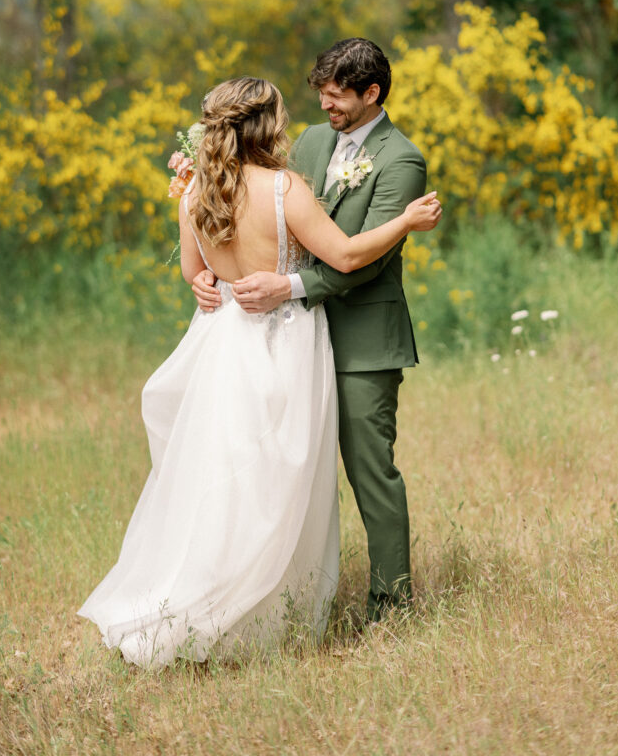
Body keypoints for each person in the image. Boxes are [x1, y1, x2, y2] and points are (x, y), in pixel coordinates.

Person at [79, 77, 441, 665]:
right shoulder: (285, 189)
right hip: (284, 340)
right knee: (280, 478)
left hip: (221, 343)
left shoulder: (193, 189)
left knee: (221, 474)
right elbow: (346, 256)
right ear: (266, 125)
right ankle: (264, 611)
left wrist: (205, 283)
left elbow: (195, 275)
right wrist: (405, 222)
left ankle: (199, 601)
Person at [194, 41, 429, 622]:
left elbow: (365, 259)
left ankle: (391, 605)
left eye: (336, 94)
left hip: (360, 341)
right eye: (320, 91)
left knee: (370, 472)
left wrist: (289, 289)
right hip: (290, 341)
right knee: (277, 471)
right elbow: (272, 221)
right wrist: (210, 279)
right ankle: (278, 597)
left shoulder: (401, 161)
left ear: (371, 93)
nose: (324, 104)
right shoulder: (315, 143)